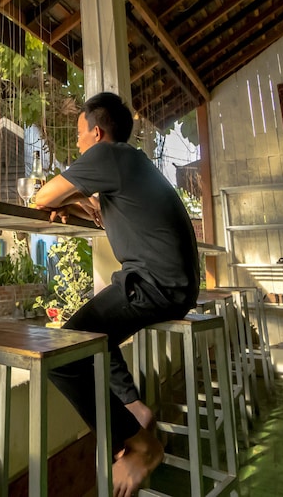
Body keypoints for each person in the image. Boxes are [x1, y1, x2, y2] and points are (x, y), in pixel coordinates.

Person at [34, 92, 200, 496]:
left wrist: (66, 197)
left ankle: (141, 445)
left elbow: (41, 197)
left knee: (63, 353)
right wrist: (78, 202)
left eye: (79, 135)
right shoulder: (130, 164)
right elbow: (93, 210)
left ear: (96, 133)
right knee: (95, 334)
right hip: (171, 284)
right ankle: (134, 408)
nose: (77, 144)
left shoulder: (107, 155)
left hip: (154, 284)